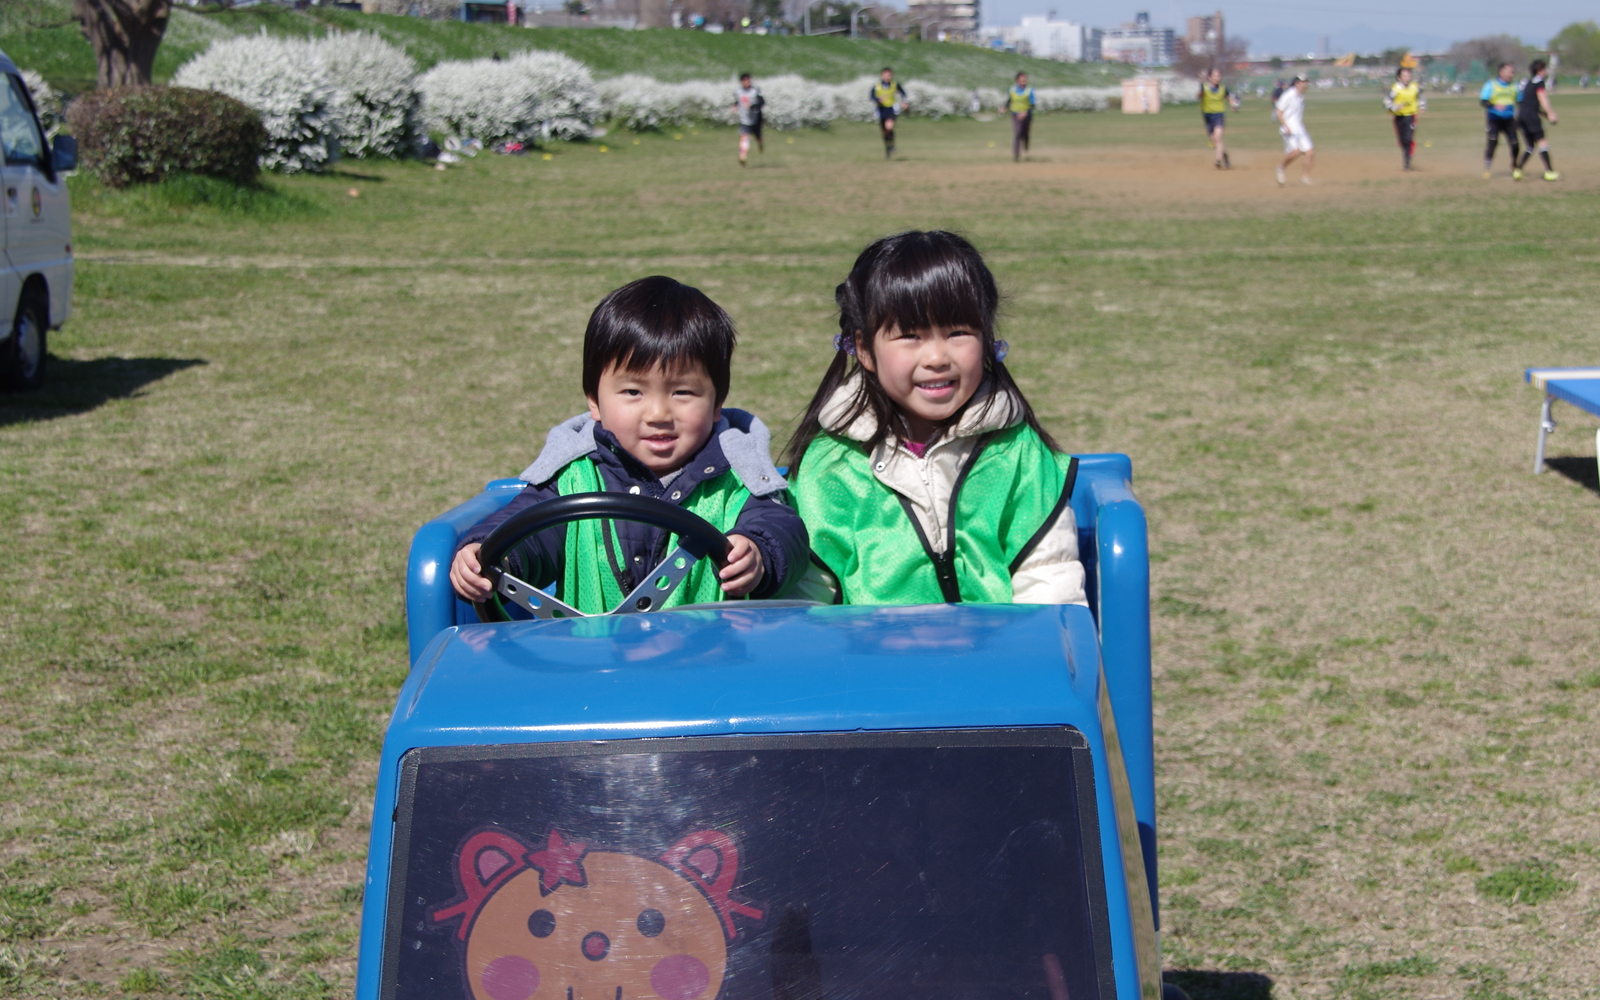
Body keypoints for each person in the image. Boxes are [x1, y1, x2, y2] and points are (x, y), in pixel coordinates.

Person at [449, 276, 810, 613]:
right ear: (595, 401)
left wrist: (760, 553)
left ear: (717, 403)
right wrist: (492, 553)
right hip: (593, 665)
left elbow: (784, 528)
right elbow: (529, 528)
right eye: (633, 392)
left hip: (707, 664)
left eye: (682, 392)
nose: (658, 413)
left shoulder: (740, 479)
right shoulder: (572, 477)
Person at [784, 231, 1086, 607]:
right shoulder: (830, 465)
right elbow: (809, 596)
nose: (937, 357)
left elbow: (1048, 579)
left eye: (959, 332)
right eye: (910, 336)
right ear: (864, 349)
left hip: (995, 658)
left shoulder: (1019, 452)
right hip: (869, 661)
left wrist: (1037, 659)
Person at [1514, 59, 1559, 181]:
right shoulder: (1539, 82)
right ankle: (1549, 172)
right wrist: (1551, 114)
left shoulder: (1529, 83)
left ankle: (1518, 170)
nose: (1546, 72)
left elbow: (1530, 103)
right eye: (1545, 69)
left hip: (1521, 116)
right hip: (1531, 117)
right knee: (1542, 143)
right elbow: (1542, 99)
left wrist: (1543, 114)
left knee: (1529, 146)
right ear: (1540, 70)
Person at [1480, 61, 1520, 179]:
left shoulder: (1514, 86)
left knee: (1515, 144)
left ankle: (1514, 165)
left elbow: (1520, 101)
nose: (1511, 74)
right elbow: (1483, 101)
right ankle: (1487, 169)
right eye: (1509, 72)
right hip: (1494, 120)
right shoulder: (1491, 85)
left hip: (1510, 120)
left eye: (1513, 72)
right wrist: (1493, 105)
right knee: (1492, 143)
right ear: (1501, 72)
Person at [1274, 75, 1313, 186]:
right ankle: (1280, 168)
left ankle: (1305, 178)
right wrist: (1285, 126)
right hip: (1289, 128)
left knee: (1310, 152)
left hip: (1299, 128)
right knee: (1296, 151)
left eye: (1306, 82)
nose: (1305, 85)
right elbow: (1279, 111)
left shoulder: (1300, 97)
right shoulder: (1288, 95)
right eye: (1303, 82)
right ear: (1296, 83)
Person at [1384, 66, 1425, 170]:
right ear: (1399, 77)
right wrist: (1396, 107)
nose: (1407, 77)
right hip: (1399, 117)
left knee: (1409, 138)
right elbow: (1386, 103)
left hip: (1411, 116)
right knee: (1402, 140)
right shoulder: (1395, 89)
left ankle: (1407, 161)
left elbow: (1420, 98)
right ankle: (1406, 154)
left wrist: (1422, 106)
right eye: (1405, 75)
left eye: (1409, 75)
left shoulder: (1414, 87)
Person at [1199, 67, 1239, 169]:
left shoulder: (1222, 88)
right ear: (1210, 77)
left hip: (1219, 115)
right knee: (1214, 141)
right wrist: (1201, 90)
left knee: (1218, 138)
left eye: (1219, 76)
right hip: (1207, 116)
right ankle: (1224, 155)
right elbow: (1199, 96)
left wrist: (1233, 105)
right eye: (1216, 76)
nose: (1218, 78)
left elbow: (1229, 98)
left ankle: (1218, 160)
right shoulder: (1204, 87)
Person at [872, 67, 909, 159]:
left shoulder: (894, 84)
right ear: (882, 75)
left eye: (889, 75)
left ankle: (892, 144)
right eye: (886, 75)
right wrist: (878, 99)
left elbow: (903, 93)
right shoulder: (877, 86)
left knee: (889, 127)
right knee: (884, 132)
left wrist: (905, 102)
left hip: (891, 109)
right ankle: (887, 149)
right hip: (881, 110)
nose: (888, 77)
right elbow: (871, 96)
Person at [733, 72, 764, 167]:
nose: (748, 82)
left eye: (749, 80)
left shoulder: (755, 91)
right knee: (745, 138)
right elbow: (737, 101)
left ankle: (760, 143)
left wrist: (752, 106)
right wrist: (734, 106)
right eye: (745, 80)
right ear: (741, 82)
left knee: (758, 138)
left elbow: (762, 102)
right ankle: (743, 156)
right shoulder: (738, 92)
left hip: (756, 120)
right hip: (744, 120)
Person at [1007, 71, 1036, 162]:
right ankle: (1016, 155)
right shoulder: (1012, 90)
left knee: (1025, 134)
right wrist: (1004, 108)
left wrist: (1025, 112)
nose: (1024, 82)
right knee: (1018, 133)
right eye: (1022, 80)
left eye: (1025, 80)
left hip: (1027, 115)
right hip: (1015, 114)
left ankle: (1026, 149)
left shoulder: (1029, 91)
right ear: (1017, 81)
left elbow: (1033, 105)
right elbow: (1009, 100)